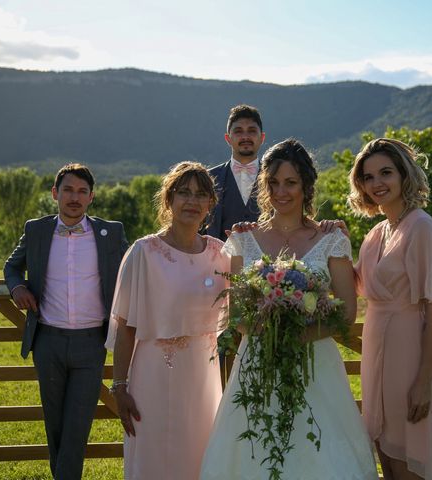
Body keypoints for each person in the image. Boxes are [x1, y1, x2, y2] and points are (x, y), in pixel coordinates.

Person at [200, 139, 378, 479]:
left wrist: (299, 335)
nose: (281, 191)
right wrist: (268, 333)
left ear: (306, 186)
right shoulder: (244, 239)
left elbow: (345, 313)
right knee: (254, 451)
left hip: (315, 365)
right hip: (257, 364)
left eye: (291, 183)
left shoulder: (331, 239)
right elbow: (236, 313)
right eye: (273, 183)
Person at [4, 163, 129, 479]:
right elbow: (11, 266)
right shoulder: (36, 230)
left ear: (91, 197)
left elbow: (134, 269)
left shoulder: (111, 232)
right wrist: (17, 287)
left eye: (82, 192)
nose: (75, 197)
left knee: (77, 424)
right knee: (55, 424)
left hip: (91, 343)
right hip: (47, 341)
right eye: (68, 190)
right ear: (54, 193)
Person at [105, 161, 229, 479]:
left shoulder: (222, 255)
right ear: (169, 199)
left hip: (203, 373)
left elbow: (240, 315)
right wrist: (119, 387)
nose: (192, 201)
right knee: (153, 454)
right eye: (183, 193)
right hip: (152, 372)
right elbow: (125, 327)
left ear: (210, 204)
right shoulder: (143, 253)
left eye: (201, 194)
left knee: (200, 453)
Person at [350, 138, 432, 480]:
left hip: (407, 353)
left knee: (406, 454)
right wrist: (325, 237)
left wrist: (423, 381)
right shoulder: (377, 232)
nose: (377, 183)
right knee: (384, 452)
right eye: (369, 177)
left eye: (386, 173)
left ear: (405, 175)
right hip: (375, 350)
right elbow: (354, 283)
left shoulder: (421, 226)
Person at [206, 104, 266, 241]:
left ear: (262, 138)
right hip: (218, 260)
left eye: (251, 131)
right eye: (238, 131)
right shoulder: (208, 178)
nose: (245, 136)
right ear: (228, 138)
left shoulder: (275, 178)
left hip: (268, 260)